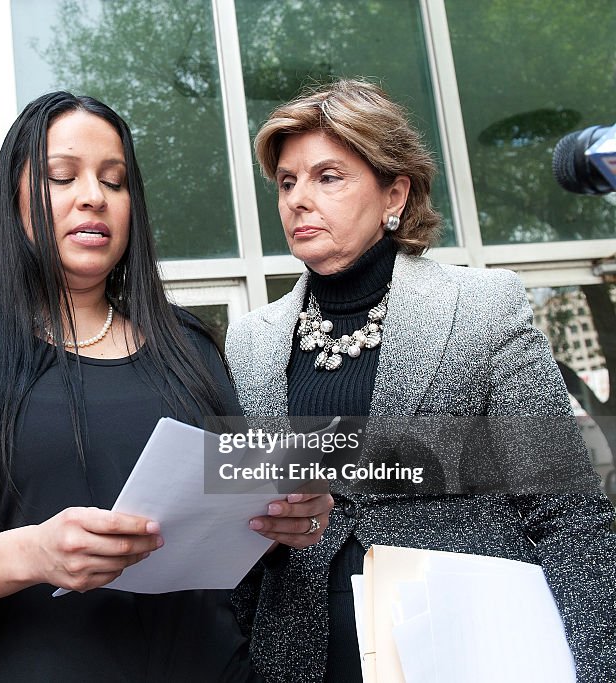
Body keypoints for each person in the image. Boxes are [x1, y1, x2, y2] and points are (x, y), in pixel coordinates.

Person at [0, 91, 333, 682]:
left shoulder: (188, 346)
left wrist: (281, 523)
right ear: (14, 200)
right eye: (63, 177)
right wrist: (32, 553)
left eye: (114, 182)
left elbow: (229, 529)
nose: (94, 197)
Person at [225, 78, 616, 682]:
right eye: (286, 181)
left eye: (328, 176)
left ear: (395, 194)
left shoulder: (484, 308)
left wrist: (598, 669)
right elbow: (246, 528)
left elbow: (565, 513)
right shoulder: (250, 341)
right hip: (298, 657)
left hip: (458, 647)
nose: (299, 198)